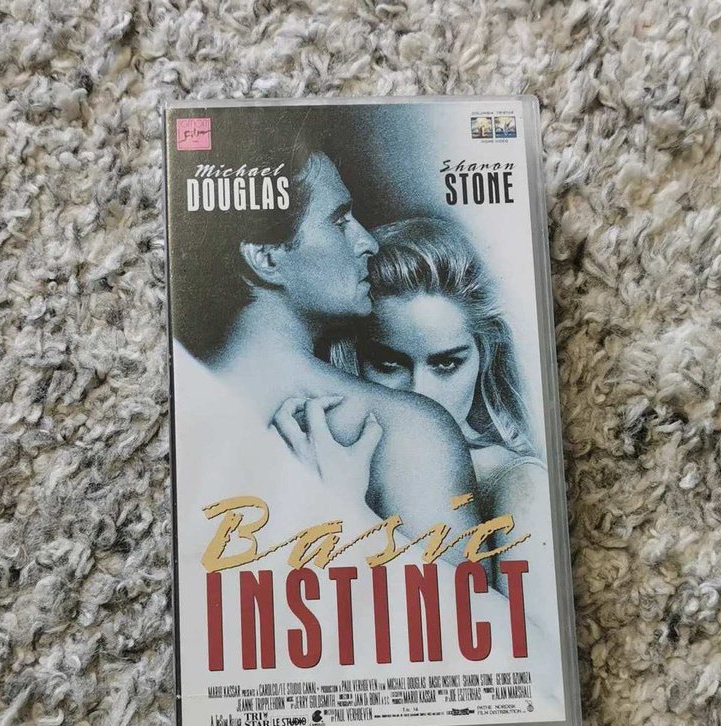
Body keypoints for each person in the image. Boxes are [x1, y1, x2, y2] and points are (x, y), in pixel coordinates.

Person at [172, 142, 483, 561]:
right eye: (340, 221)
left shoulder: (176, 406)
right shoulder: (408, 433)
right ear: (266, 258)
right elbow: (463, 604)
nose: (368, 242)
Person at [328, 217, 548, 530]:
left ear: (484, 358)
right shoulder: (324, 463)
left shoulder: (516, 486)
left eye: (446, 364)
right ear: (352, 359)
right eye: (388, 365)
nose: (420, 394)